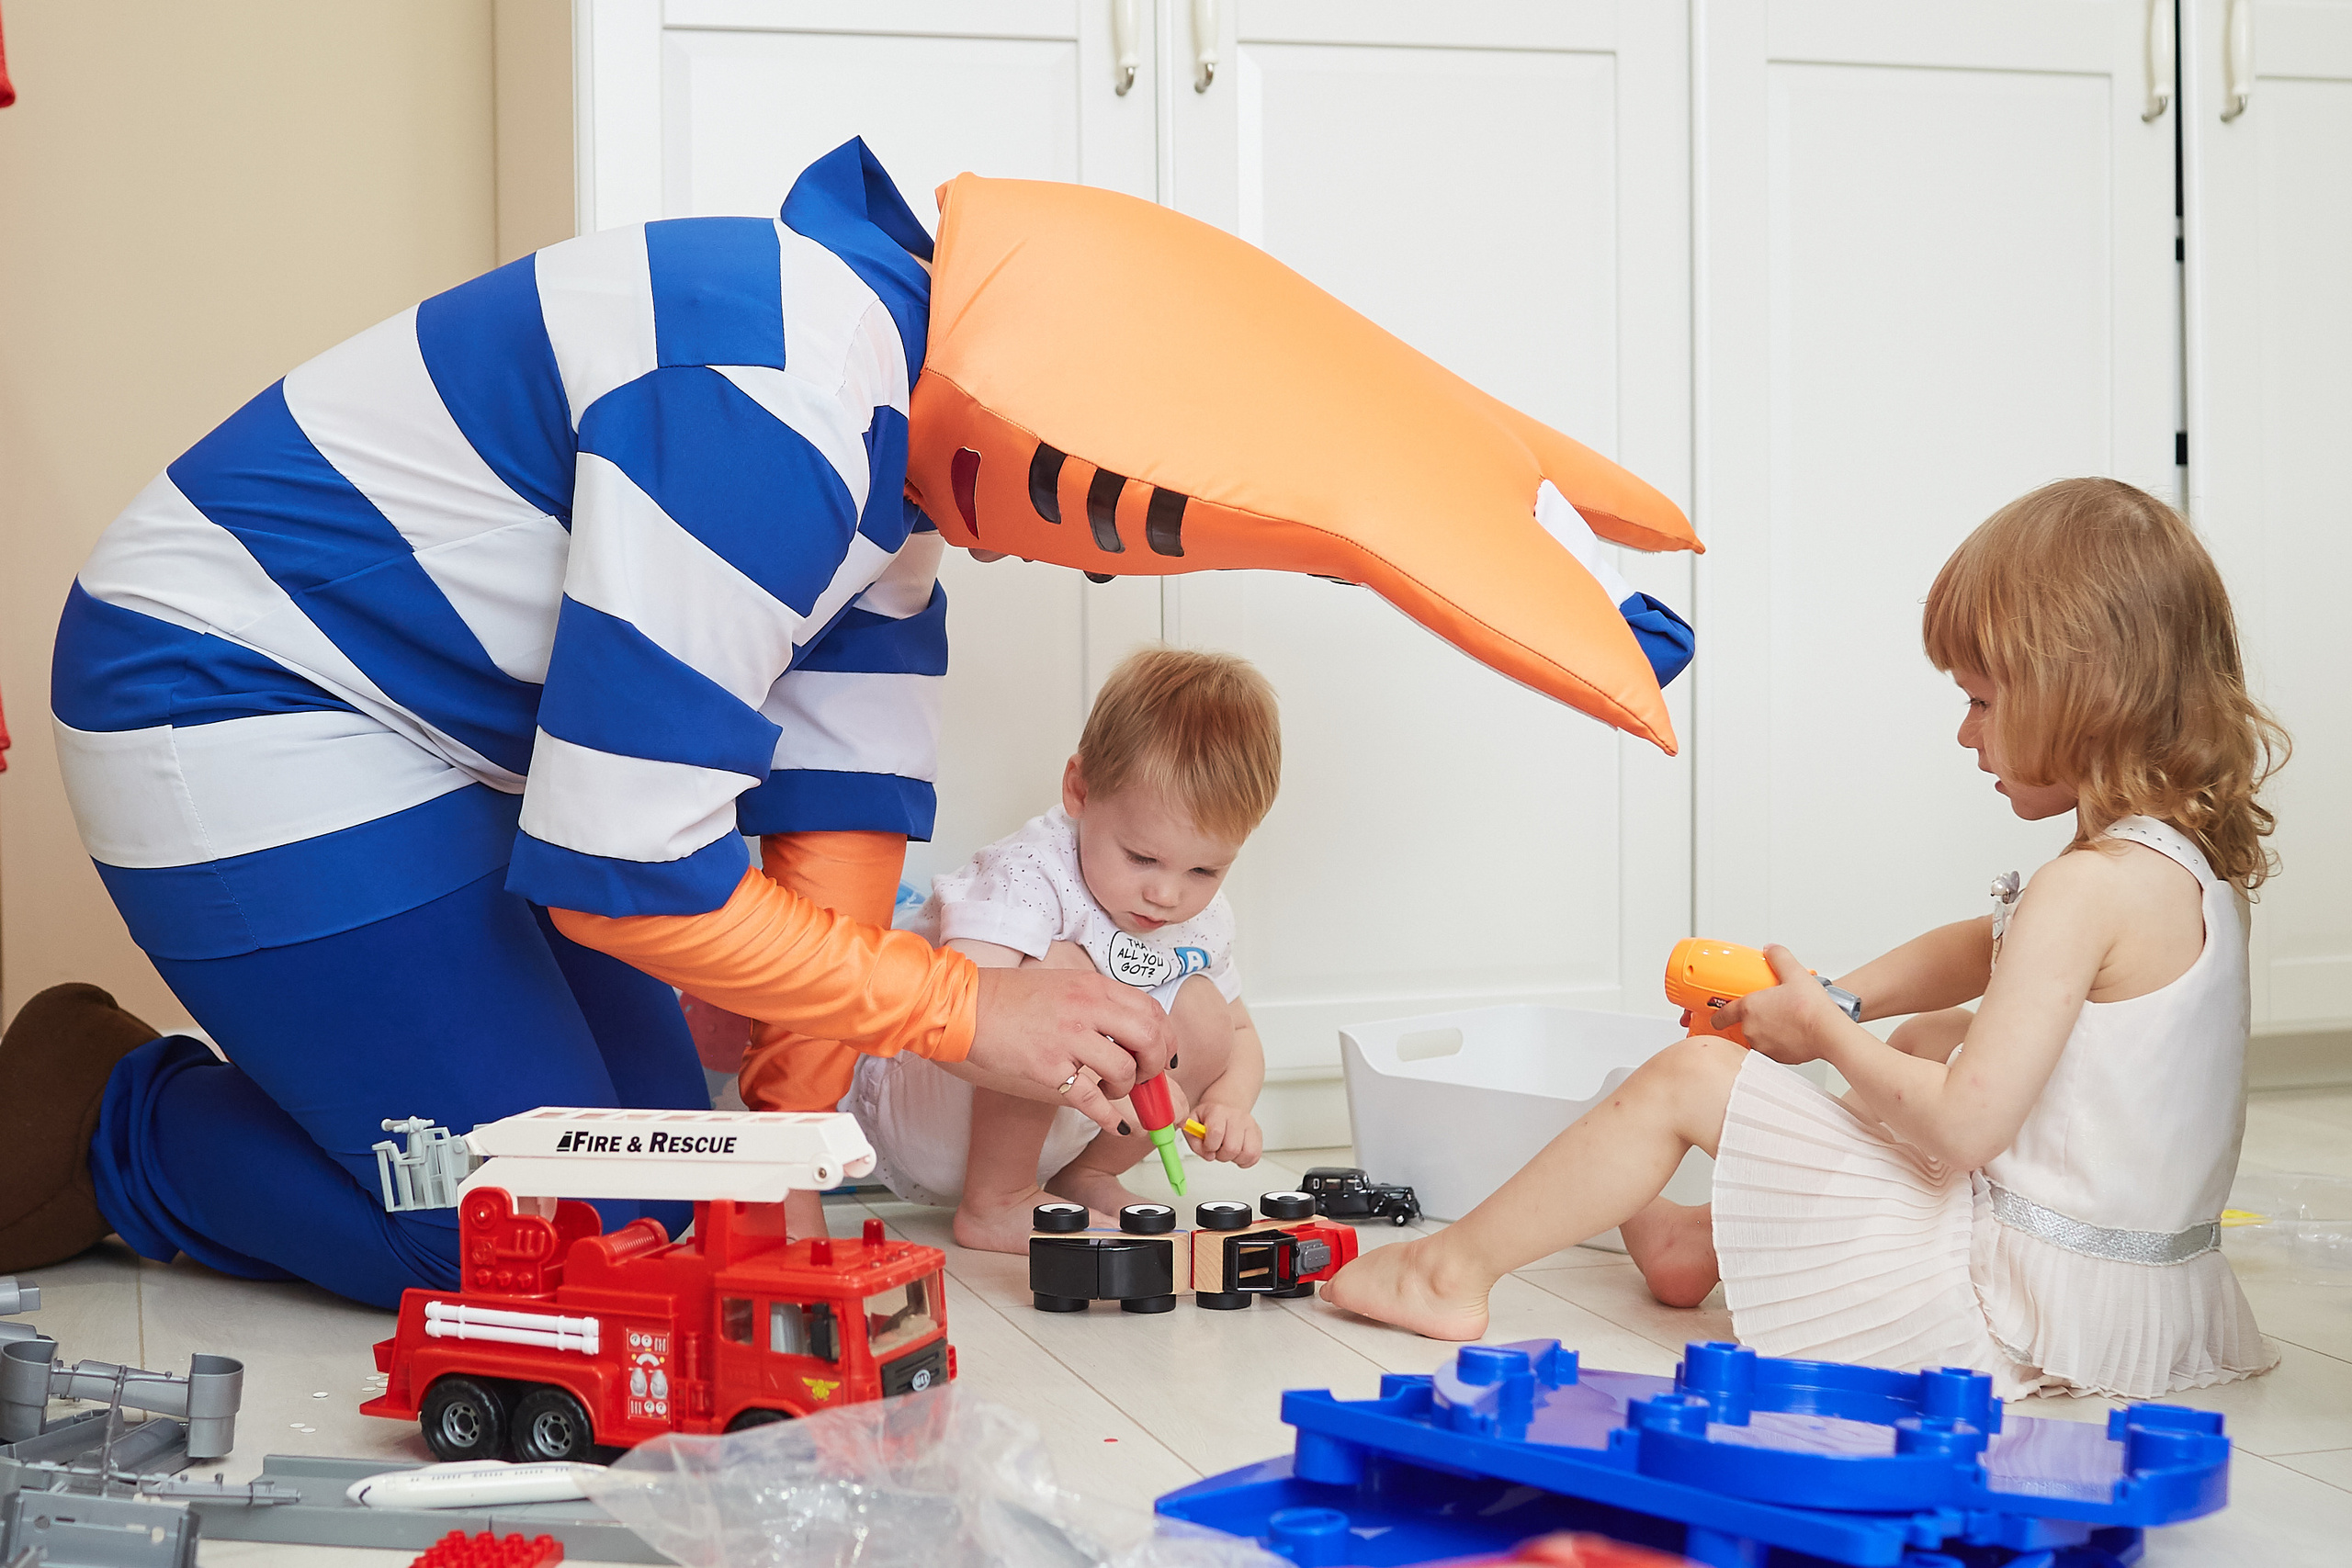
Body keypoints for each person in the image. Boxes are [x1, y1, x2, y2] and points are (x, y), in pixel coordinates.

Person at [0, 141, 1170, 1305]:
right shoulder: (780, 397)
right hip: (230, 687)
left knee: (685, 1207)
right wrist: (965, 1012)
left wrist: (784, 1148)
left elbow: (840, 811)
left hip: (440, 741)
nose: (1073, 561)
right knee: (546, 1253)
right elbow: (632, 866)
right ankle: (117, 1128)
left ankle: (357, 1111)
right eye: (1109, 520)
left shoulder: (895, 468)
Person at [1321, 478, 2285, 1401]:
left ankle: (1447, 1272)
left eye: (1982, 701)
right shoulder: (2177, 866)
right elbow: (1989, 948)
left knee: (1689, 1080)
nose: (1965, 735)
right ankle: (1696, 1241)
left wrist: (1825, 1033)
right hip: (2128, 1300)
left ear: (2088, 695)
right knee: (1932, 1038)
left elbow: (1964, 1127)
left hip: (2002, 1308)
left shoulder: (2082, 889)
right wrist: (1846, 1000)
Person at [774, 647, 1278, 1252]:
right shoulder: (1030, 872)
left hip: (1052, 1122)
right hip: (920, 1102)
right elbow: (964, 1013)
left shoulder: (1201, 919)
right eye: (1142, 857)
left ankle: (1083, 1176)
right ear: (1079, 790)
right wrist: (1120, 1075)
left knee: (1202, 1012)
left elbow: (1239, 1035)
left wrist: (1227, 1102)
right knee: (1060, 978)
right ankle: (997, 1201)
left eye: (1204, 869)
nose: (1166, 893)